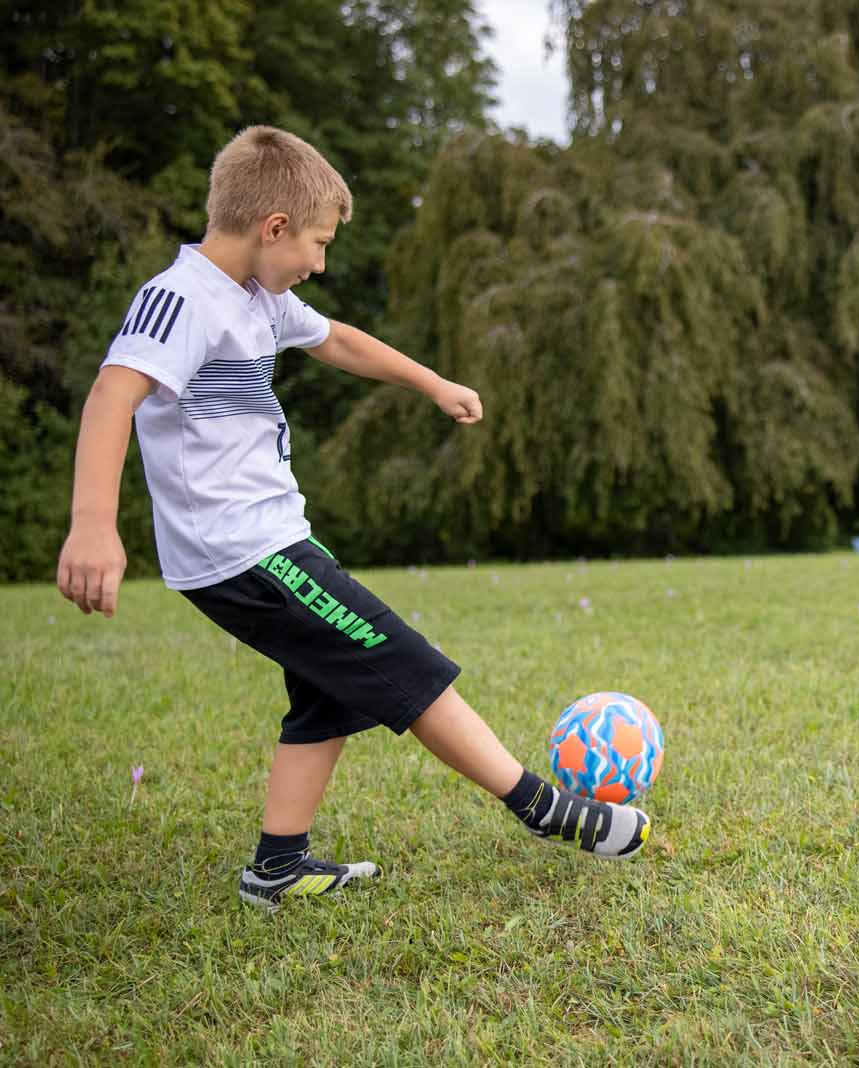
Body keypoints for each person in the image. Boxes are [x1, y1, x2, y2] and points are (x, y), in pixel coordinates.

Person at [55, 126, 650, 912]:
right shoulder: (180, 299)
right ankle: (541, 808)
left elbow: (337, 339)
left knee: (328, 690)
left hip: (271, 538)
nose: (319, 263)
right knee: (401, 659)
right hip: (240, 550)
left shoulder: (259, 297)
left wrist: (433, 383)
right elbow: (112, 394)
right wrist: (94, 524)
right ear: (272, 228)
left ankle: (278, 867)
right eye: (317, 244)